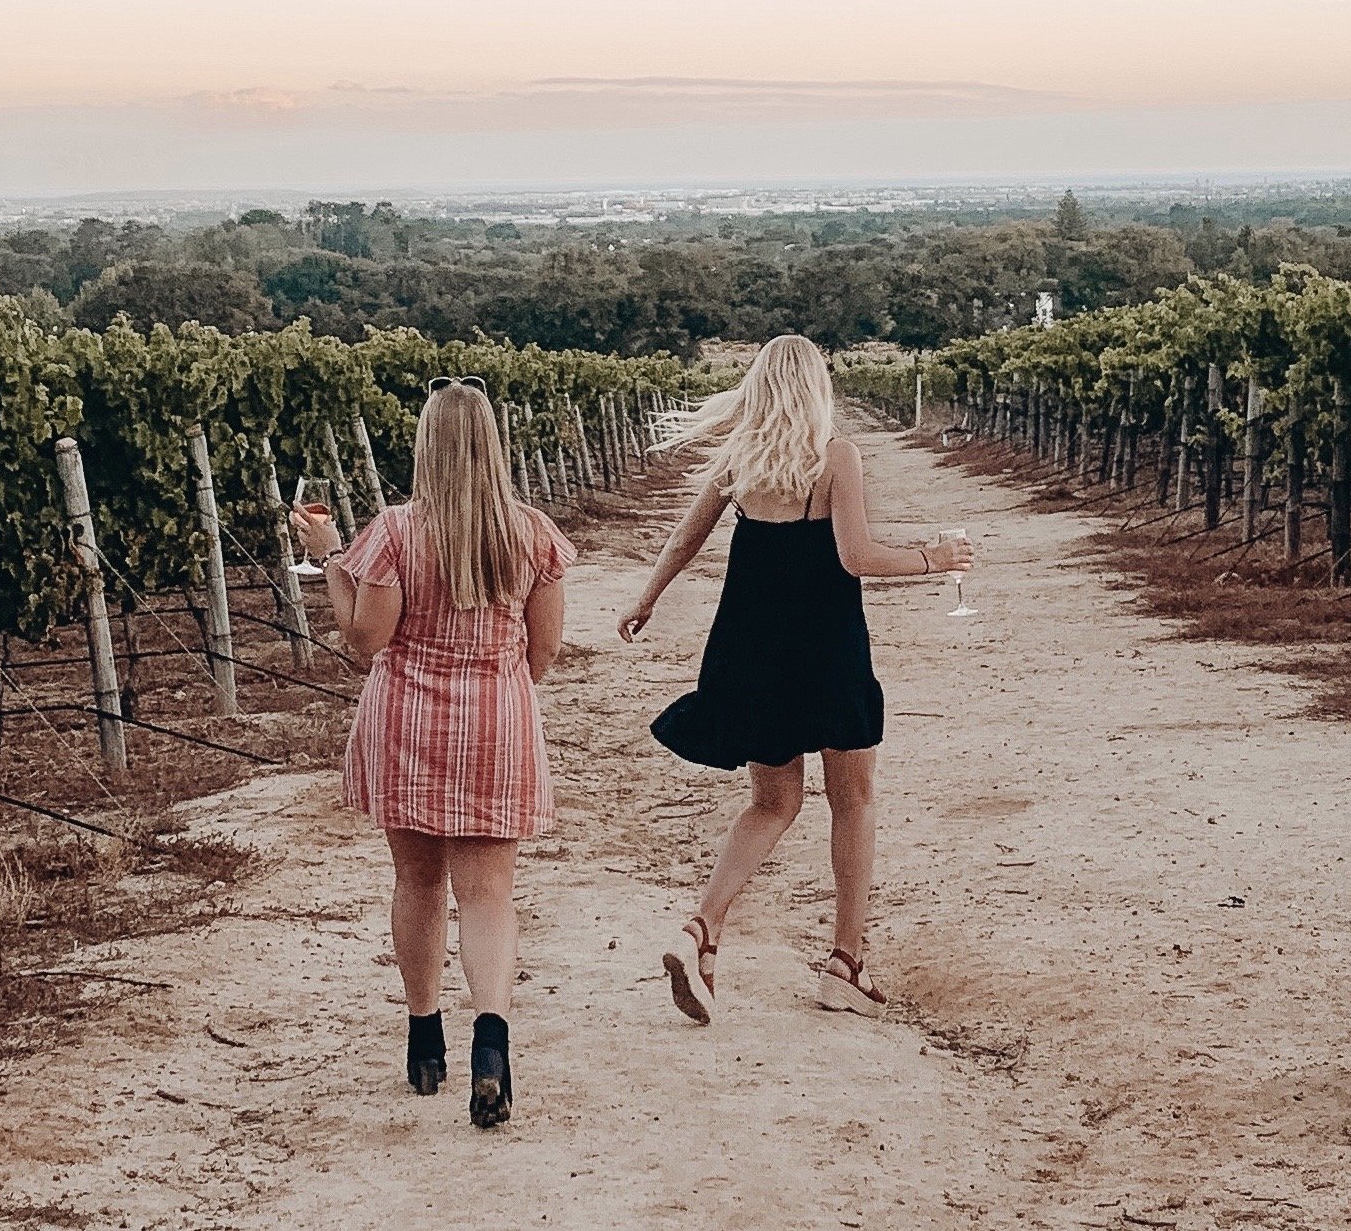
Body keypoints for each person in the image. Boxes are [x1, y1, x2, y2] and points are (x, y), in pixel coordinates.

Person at [618, 335, 974, 1024]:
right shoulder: (836, 457)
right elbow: (855, 554)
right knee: (854, 797)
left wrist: (647, 596)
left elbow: (685, 536)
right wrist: (934, 557)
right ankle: (845, 962)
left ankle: (702, 928)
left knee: (773, 801)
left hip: (752, 650)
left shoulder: (740, 462)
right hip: (826, 649)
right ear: (815, 388)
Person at [292, 378, 572, 1128]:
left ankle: (424, 1042)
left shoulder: (393, 532)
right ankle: (491, 1042)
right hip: (495, 725)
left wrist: (328, 560)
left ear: (425, 448)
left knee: (417, 883)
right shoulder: (531, 535)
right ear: (491, 446)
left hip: (409, 722)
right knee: (488, 895)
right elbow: (542, 654)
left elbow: (364, 639)